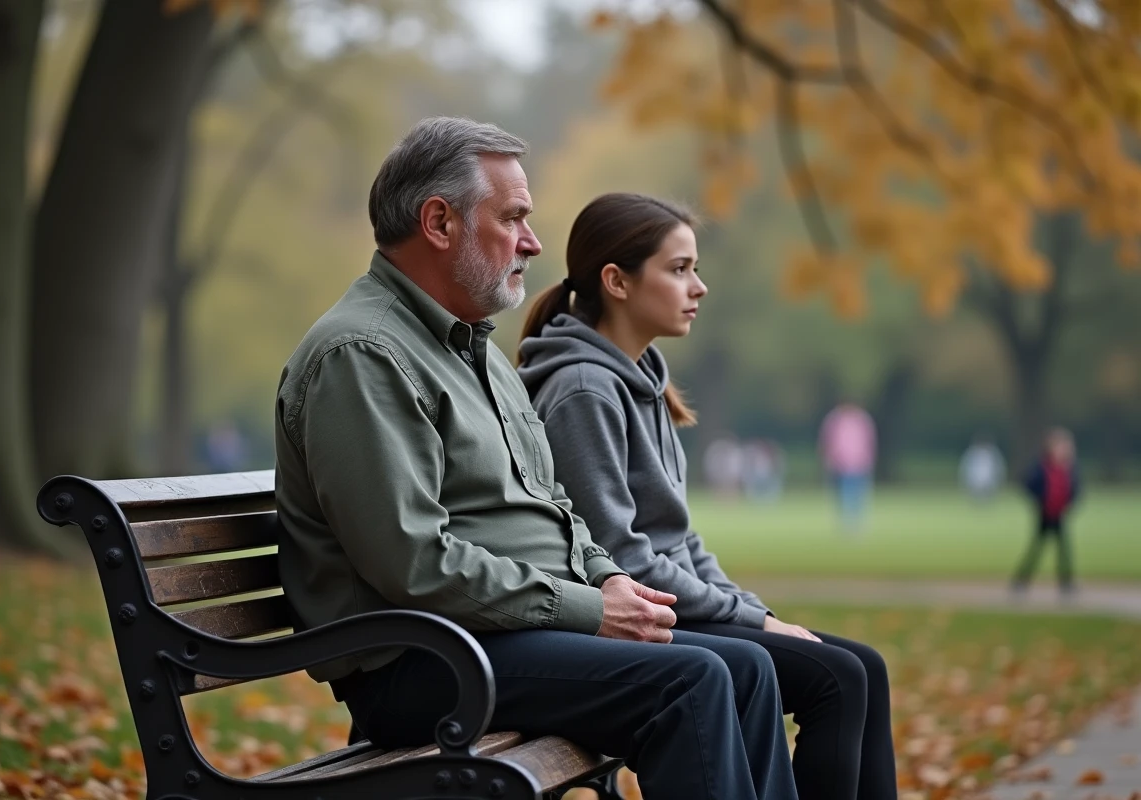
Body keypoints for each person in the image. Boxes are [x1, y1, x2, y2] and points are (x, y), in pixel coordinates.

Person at [273, 120, 797, 800]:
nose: (533, 241)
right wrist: (588, 608)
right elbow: (414, 563)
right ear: (439, 223)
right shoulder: (363, 355)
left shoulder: (477, 352)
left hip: (498, 636)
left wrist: (610, 580)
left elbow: (554, 507)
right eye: (513, 217)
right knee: (690, 682)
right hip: (425, 661)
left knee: (749, 669)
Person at [516, 193, 896, 800]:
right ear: (617, 281)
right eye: (679, 269)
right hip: (639, 614)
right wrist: (753, 620)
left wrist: (754, 611)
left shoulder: (642, 376)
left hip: (679, 604)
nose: (699, 286)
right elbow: (623, 557)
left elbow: (682, 538)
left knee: (864, 667)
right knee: (838, 677)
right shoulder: (584, 389)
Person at [1011, 427, 1081, 594]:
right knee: (1037, 548)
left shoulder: (1068, 468)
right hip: (1045, 514)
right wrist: (1040, 500)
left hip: (1059, 514)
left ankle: (1066, 583)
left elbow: (1074, 489)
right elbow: (1028, 484)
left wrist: (1070, 503)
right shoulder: (1042, 467)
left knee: (1064, 550)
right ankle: (1021, 580)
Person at [818, 403, 878, 532]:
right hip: (840, 464)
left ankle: (855, 523)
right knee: (843, 494)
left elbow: (869, 441)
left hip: (859, 463)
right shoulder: (835, 419)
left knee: (857, 494)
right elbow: (827, 441)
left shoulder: (861, 419)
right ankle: (847, 523)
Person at [959, 435, 1006, 503]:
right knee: (978, 495)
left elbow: (998, 468)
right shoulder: (972, 453)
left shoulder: (993, 453)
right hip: (975, 480)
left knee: (986, 495)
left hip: (989, 481)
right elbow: (967, 467)